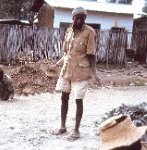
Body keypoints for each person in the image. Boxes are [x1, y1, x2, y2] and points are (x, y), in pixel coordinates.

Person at [50, 6, 100, 141]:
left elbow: (91, 55)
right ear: (73, 18)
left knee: (78, 100)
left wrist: (95, 73)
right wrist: (57, 64)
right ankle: (62, 126)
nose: (79, 20)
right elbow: (67, 53)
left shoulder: (90, 32)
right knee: (63, 98)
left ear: (85, 19)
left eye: (82, 18)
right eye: (77, 17)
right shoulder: (68, 31)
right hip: (67, 69)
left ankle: (76, 131)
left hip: (81, 71)